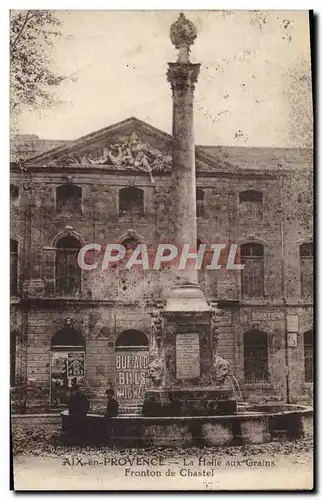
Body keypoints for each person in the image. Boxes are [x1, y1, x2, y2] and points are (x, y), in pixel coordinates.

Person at [67, 379, 90, 444]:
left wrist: (85, 411)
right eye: (80, 389)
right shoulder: (73, 396)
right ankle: (73, 440)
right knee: (74, 428)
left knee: (81, 428)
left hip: (81, 415)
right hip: (75, 414)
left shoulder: (84, 396)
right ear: (77, 390)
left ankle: (81, 440)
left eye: (82, 389)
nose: (81, 390)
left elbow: (87, 404)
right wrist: (71, 412)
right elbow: (69, 405)